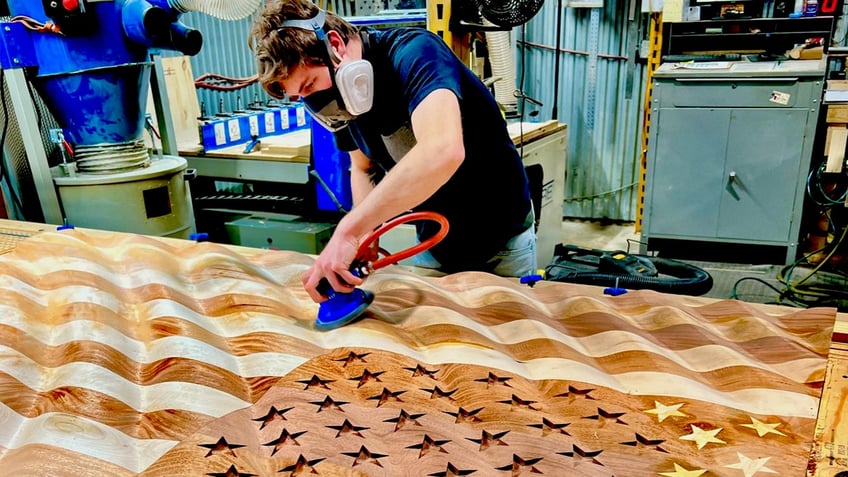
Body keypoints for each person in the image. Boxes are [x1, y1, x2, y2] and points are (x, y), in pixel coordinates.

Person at [249, 0, 536, 303]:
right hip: (435, 245)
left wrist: (349, 228)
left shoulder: (415, 53)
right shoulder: (343, 104)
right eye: (300, 95)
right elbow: (362, 168)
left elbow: (443, 150)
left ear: (335, 46)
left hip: (502, 241)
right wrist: (365, 233)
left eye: (309, 84)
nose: (313, 103)